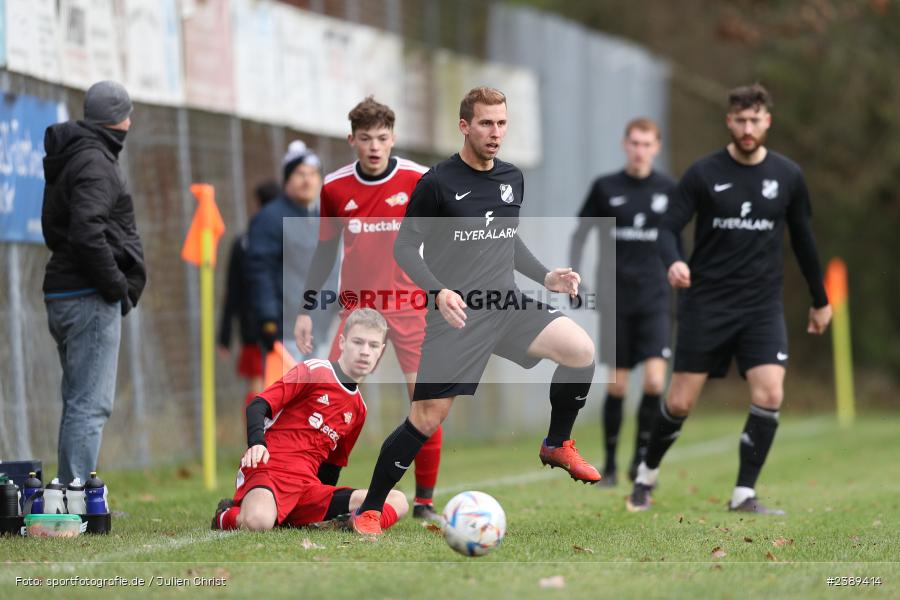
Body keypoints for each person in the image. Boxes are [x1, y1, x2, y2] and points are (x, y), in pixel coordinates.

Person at [348, 87, 599, 536]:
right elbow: (404, 247)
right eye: (486, 123)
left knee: (580, 350)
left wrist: (545, 277)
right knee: (426, 417)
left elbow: (507, 238)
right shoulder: (437, 183)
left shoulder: (512, 178)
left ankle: (557, 443)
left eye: (501, 123)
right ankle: (370, 509)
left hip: (506, 305)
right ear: (464, 126)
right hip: (457, 315)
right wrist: (438, 292)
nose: (495, 132)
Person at [626, 83, 832, 514]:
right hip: (707, 303)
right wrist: (673, 261)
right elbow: (667, 228)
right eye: (740, 121)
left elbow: (804, 240)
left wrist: (820, 298)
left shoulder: (788, 175)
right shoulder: (704, 173)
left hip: (761, 306)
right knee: (680, 402)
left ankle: (743, 494)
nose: (747, 129)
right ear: (729, 121)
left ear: (767, 120)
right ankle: (646, 473)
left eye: (755, 120)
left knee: (770, 393)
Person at [293, 97, 444, 522]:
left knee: (426, 402)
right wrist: (306, 308)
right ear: (352, 140)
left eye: (382, 137)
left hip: (411, 307)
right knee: (330, 398)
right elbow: (325, 251)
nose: (374, 146)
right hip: (359, 310)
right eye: (365, 138)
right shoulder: (334, 188)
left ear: (393, 138)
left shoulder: (419, 179)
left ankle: (425, 503)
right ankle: (320, 497)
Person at [212, 308, 409, 531]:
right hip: (270, 470)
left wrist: (323, 506)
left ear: (380, 351)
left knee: (398, 500)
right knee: (259, 521)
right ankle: (226, 514)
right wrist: (257, 443)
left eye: (373, 345)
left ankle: (354, 523)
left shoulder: (359, 409)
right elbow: (258, 405)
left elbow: (332, 467)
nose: (365, 352)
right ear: (342, 342)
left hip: (307, 488)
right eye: (358, 342)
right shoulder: (314, 371)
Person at [41, 80, 147, 484]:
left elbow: (56, 228)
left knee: (78, 401)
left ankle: (69, 494)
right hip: (88, 296)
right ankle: (77, 496)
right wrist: (116, 286)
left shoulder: (74, 156)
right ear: (120, 119)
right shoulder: (96, 162)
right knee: (90, 404)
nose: (130, 123)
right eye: (128, 116)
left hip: (64, 291)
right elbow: (87, 233)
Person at [569, 118, 676, 486]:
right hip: (615, 297)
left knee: (655, 382)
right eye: (634, 143)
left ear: (656, 147)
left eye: (647, 144)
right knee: (617, 386)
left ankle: (641, 461)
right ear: (625, 144)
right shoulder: (606, 187)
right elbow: (581, 233)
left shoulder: (669, 190)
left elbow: (678, 241)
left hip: (656, 297)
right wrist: (575, 275)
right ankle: (612, 466)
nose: (639, 150)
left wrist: (682, 272)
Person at [245, 141, 338, 362]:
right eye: (300, 174)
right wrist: (268, 319)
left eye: (313, 174)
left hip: (323, 328)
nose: (307, 180)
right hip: (287, 332)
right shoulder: (269, 218)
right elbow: (260, 272)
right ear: (287, 178)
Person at [218, 180, 281, 406]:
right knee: (281, 384)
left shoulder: (243, 242)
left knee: (257, 384)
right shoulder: (287, 238)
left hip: (251, 326)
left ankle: (255, 428)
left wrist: (225, 336)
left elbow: (232, 291)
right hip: (279, 325)